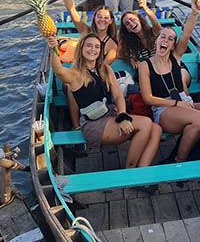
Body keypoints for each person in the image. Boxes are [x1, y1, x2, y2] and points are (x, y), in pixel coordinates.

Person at [44, 33, 161, 168]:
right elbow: (59, 70)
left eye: (97, 47)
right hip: (94, 124)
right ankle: (130, 170)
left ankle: (142, 170)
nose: (93, 49)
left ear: (100, 51)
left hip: (111, 114)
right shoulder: (76, 74)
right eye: (88, 46)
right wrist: (53, 49)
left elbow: (117, 95)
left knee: (156, 129)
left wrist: (123, 116)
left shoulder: (105, 69)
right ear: (81, 49)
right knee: (145, 123)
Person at [138, 0, 200, 163]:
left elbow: (186, 33)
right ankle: (179, 160)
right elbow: (148, 98)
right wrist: (176, 104)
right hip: (163, 110)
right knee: (199, 118)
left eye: (170, 38)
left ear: (173, 45)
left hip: (185, 102)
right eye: (162, 37)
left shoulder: (175, 58)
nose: (165, 40)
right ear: (156, 41)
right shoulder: (145, 66)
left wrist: (194, 13)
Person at [118, 0, 192, 89]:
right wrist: (132, 59)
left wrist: (145, 8)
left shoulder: (154, 32)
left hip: (174, 66)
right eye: (127, 24)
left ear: (139, 20)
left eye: (132, 20)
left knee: (179, 78)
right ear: (128, 30)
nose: (131, 24)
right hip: (156, 72)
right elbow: (120, 53)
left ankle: (186, 101)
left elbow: (156, 24)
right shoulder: (132, 44)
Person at [59, 0, 118, 65]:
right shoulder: (86, 31)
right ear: (94, 18)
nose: (102, 20)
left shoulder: (112, 46)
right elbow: (72, 11)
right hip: (79, 69)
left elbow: (103, 68)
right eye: (99, 16)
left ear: (111, 21)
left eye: (106, 18)